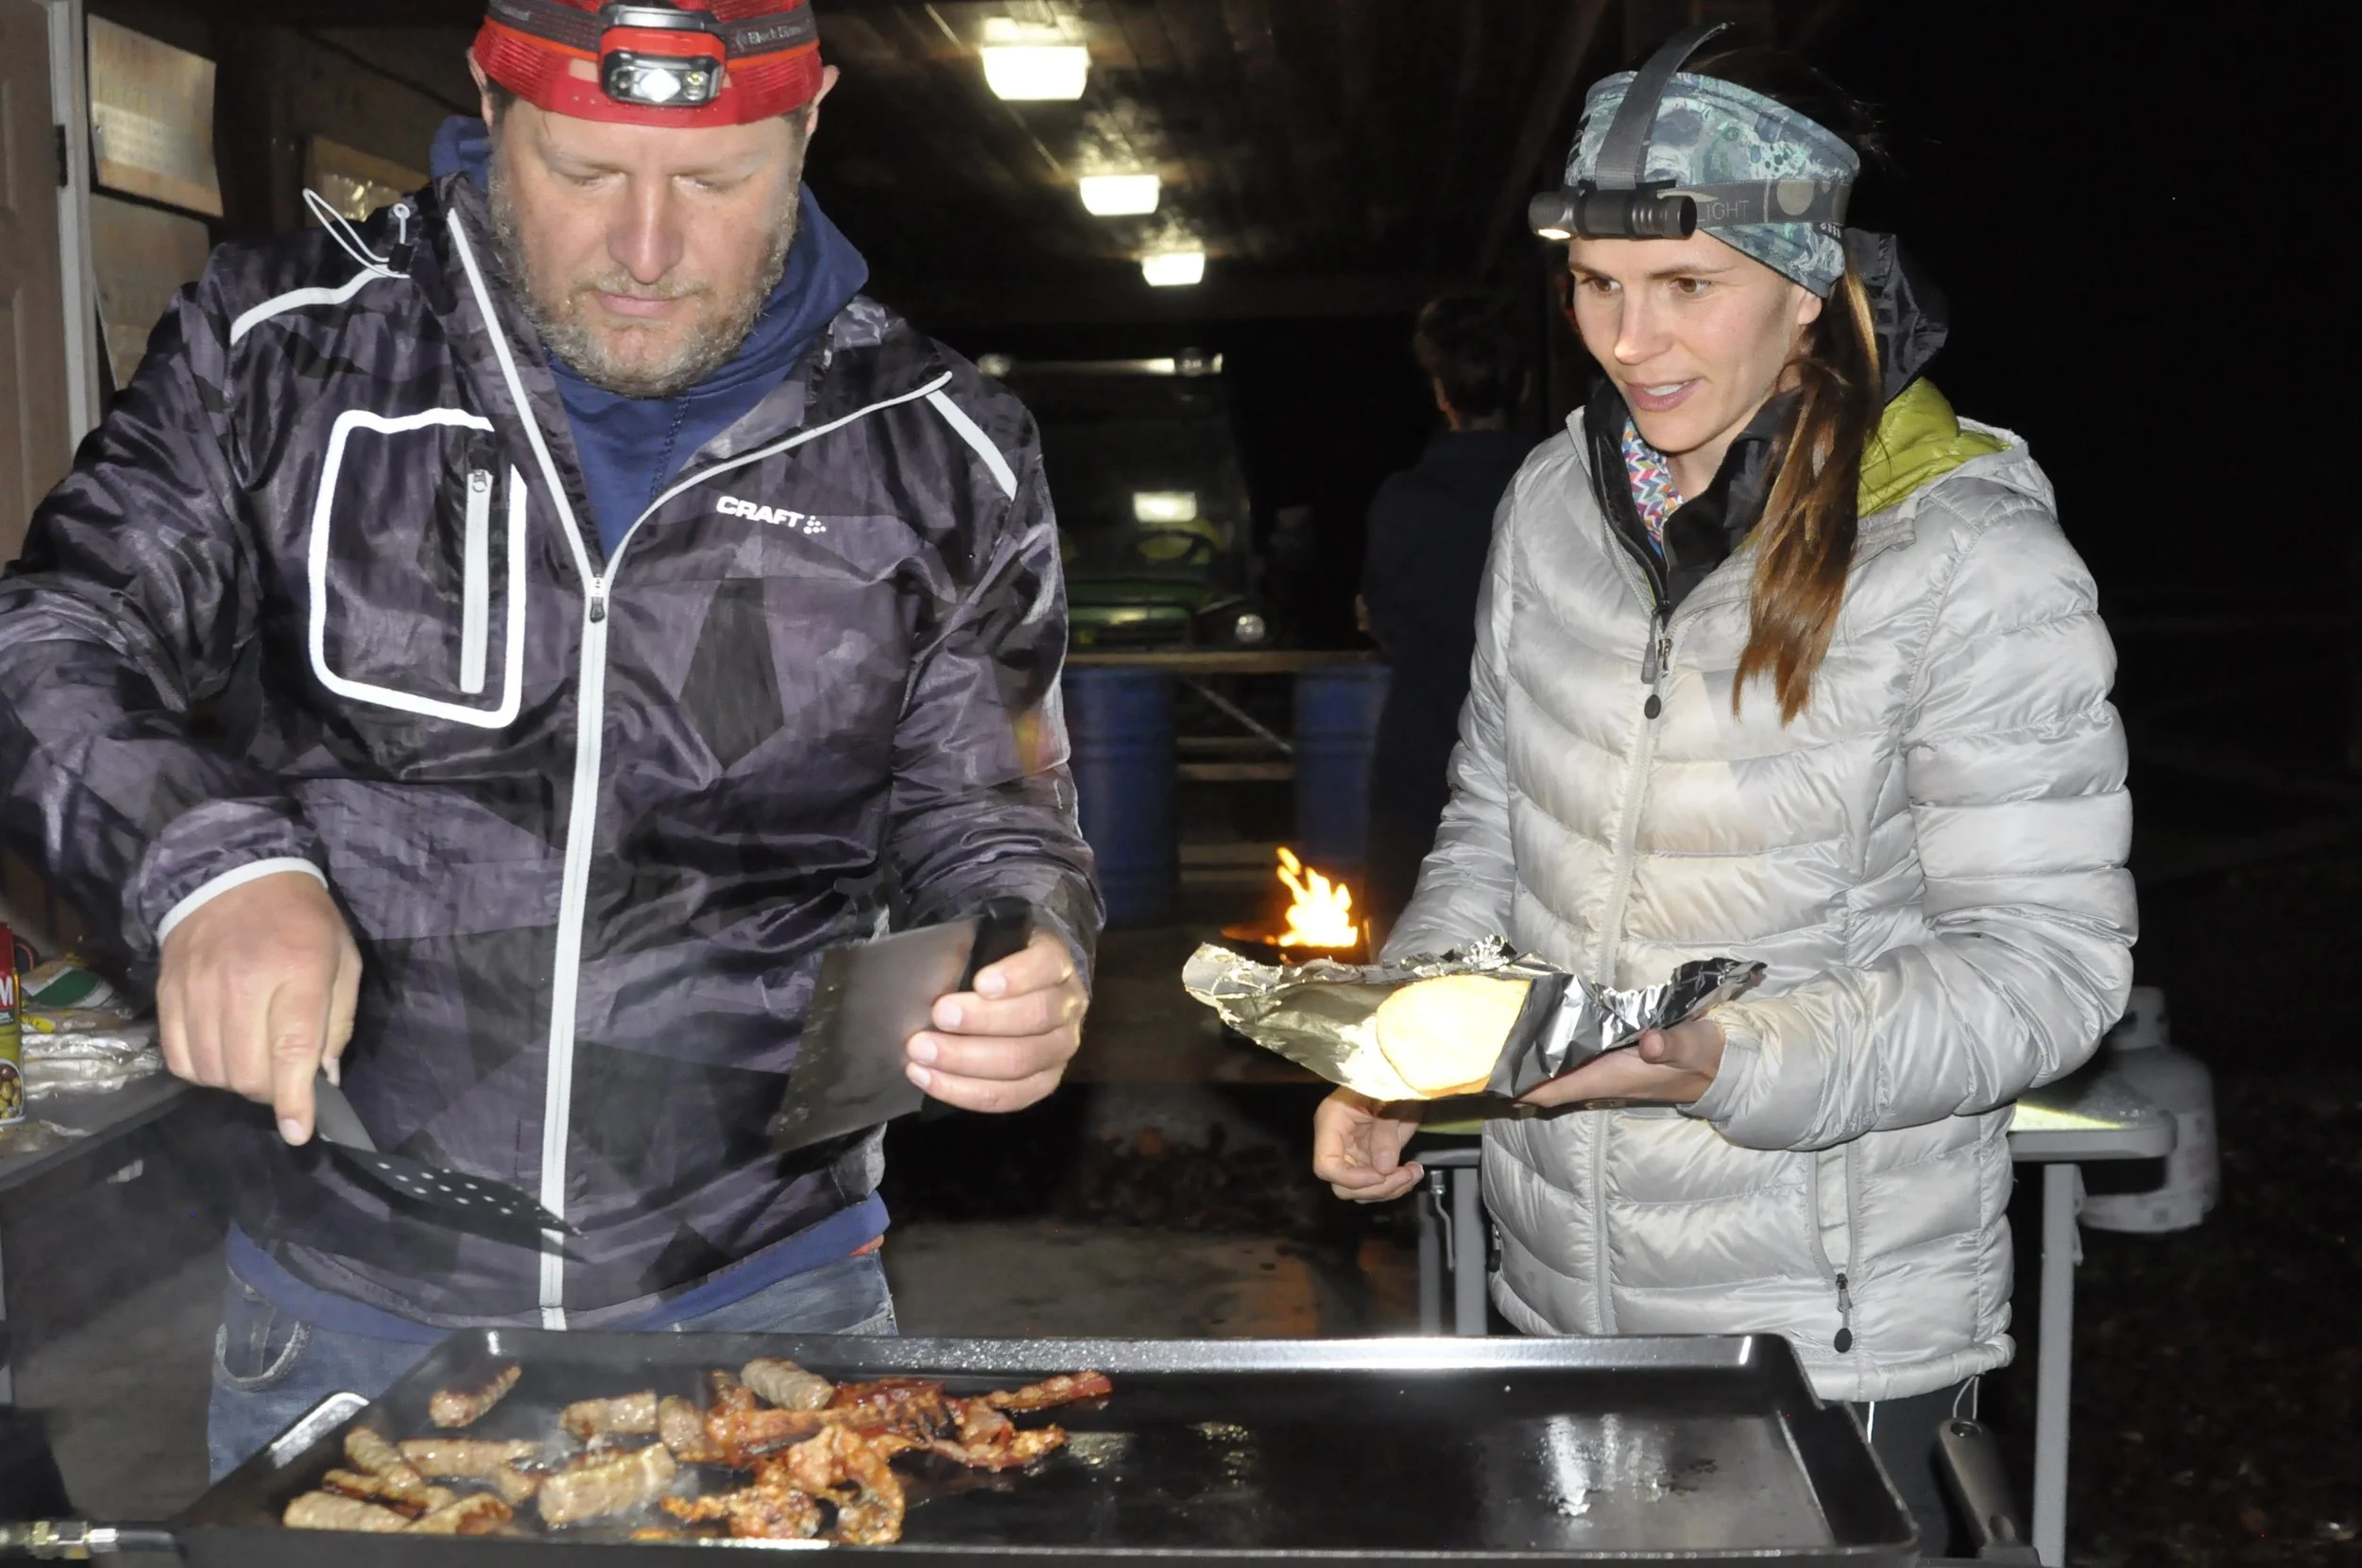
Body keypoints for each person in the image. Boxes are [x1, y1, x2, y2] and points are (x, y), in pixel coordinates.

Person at [0, 0, 1100, 1476]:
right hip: (352, 1305)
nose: (645, 250)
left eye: (713, 185)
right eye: (585, 174)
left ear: (811, 123)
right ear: (488, 106)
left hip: (769, 1292)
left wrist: (1030, 947)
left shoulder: (943, 450)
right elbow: (53, 635)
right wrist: (204, 866)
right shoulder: (279, 355)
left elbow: (999, 811)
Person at [1311, 29, 2133, 1551]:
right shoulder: (1557, 501)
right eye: (1598, 286)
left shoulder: (1967, 559)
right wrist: (1407, 1041)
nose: (1630, 340)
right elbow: (1496, 810)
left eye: (1688, 286)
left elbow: (2048, 973)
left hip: (1833, 1340)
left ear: (1812, 284)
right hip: (1556, 1292)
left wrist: (1720, 1060)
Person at [1358, 292, 1535, 946]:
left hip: (1424, 753)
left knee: (1400, 947)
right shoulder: (1558, 490)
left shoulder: (1405, 501)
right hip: (1537, 765)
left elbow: (1386, 616)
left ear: (1441, 392)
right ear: (1522, 384)